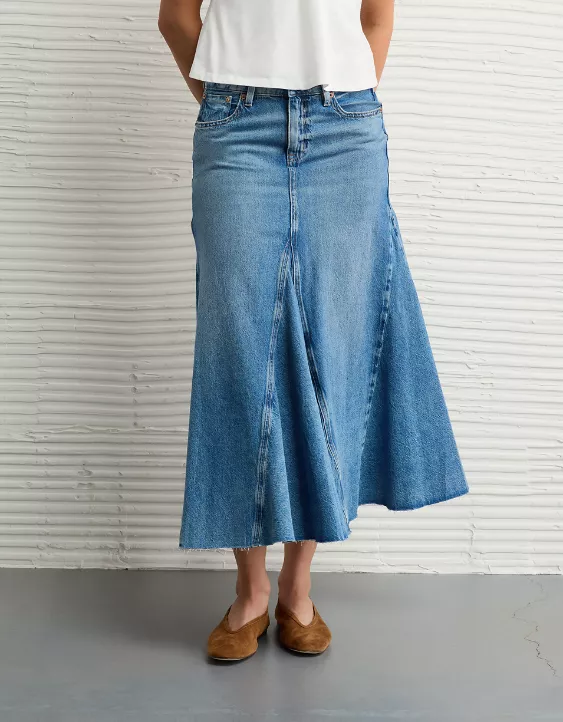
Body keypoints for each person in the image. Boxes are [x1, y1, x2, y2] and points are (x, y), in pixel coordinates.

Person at [158, 0, 469, 661]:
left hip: (345, 131)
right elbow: (176, 17)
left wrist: (341, 99)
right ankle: (250, 592)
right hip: (237, 125)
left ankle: (297, 587)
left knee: (336, 348)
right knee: (239, 355)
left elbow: (376, 18)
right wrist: (230, 101)